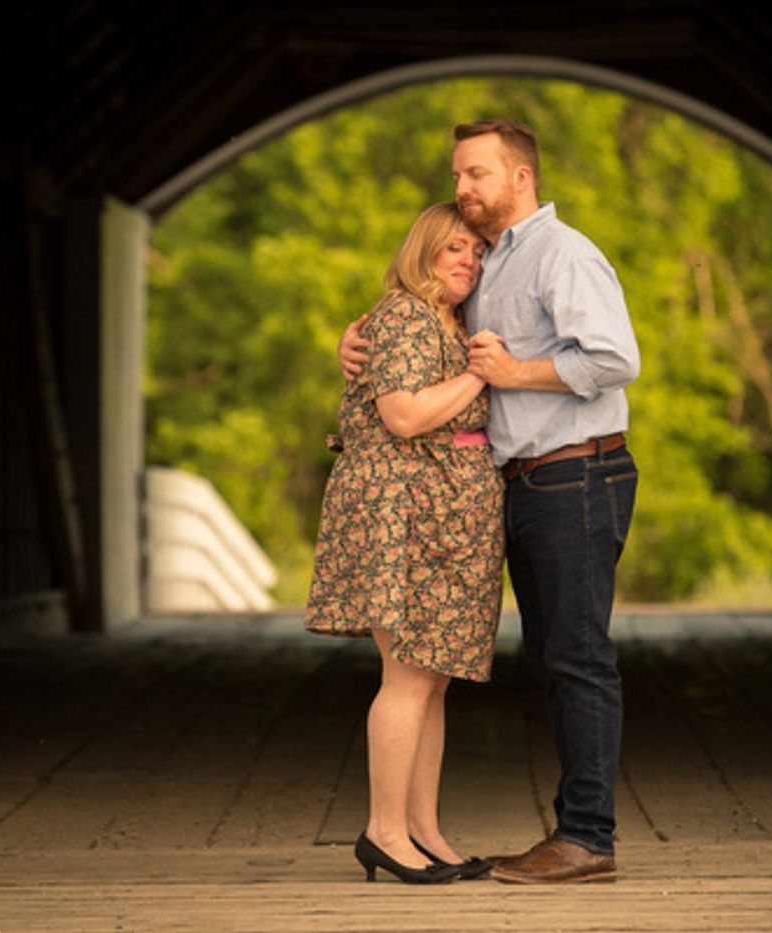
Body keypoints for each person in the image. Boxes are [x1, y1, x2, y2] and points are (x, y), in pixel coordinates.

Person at [340, 119, 640, 884]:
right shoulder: (487, 264)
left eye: (476, 174)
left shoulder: (562, 254)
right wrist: (358, 340)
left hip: (574, 475)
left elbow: (613, 358)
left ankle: (586, 838)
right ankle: (550, 833)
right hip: (516, 485)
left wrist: (511, 372)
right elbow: (423, 345)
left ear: (521, 178)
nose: (462, 189)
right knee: (549, 657)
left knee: (576, 656)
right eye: (457, 175)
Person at [307, 201, 503, 885]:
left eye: (477, 252)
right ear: (422, 251)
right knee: (408, 675)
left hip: (444, 507)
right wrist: (484, 373)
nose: (468, 262)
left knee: (432, 681)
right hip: (406, 508)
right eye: (454, 248)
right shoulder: (404, 317)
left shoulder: (447, 322)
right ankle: (384, 830)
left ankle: (423, 829)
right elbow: (403, 412)